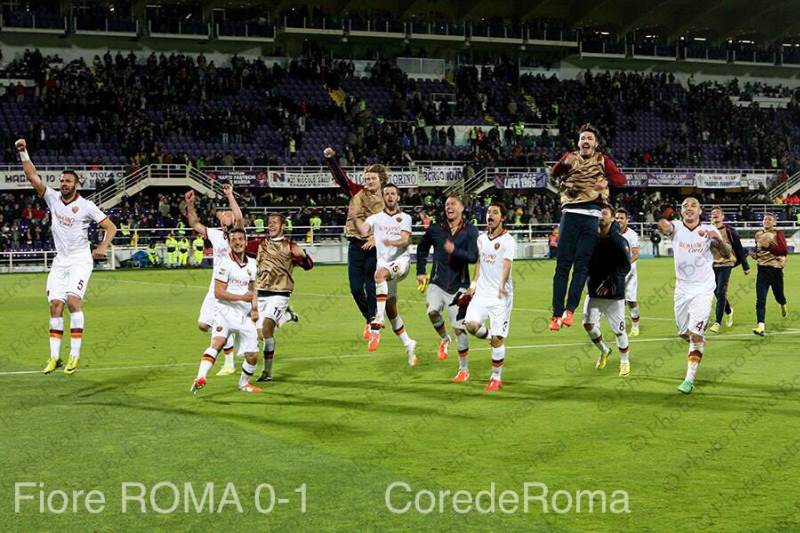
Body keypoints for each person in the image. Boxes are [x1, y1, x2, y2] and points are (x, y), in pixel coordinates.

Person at [15, 138, 118, 375]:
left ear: (76, 185)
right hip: (60, 261)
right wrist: (23, 152)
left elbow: (111, 227)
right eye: (61, 180)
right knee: (55, 306)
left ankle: (74, 355)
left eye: (68, 181)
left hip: (81, 260)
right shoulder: (51, 198)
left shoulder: (87, 206)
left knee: (73, 303)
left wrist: (103, 247)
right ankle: (54, 357)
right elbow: (33, 177)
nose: (63, 183)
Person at [548, 124, 626, 331]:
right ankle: (556, 314)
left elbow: (621, 180)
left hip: (591, 217)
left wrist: (606, 182)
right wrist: (561, 163)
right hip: (570, 215)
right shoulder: (570, 157)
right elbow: (552, 175)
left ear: (596, 143)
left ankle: (570, 311)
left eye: (590, 138)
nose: (586, 141)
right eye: (583, 137)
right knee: (562, 266)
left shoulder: (602, 161)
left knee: (581, 266)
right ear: (578, 142)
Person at [657, 198, 731, 394]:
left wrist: (716, 241)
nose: (689, 208)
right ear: (681, 212)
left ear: (700, 211)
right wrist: (661, 221)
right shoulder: (677, 228)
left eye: (693, 206)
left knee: (696, 335)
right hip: (682, 289)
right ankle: (697, 342)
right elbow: (665, 227)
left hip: (703, 288)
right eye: (685, 206)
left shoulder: (710, 230)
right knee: (683, 332)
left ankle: (689, 380)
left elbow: (727, 254)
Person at [323, 147, 385, 338]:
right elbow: (342, 179)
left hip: (375, 247)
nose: (368, 182)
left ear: (381, 180)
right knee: (356, 288)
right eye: (367, 178)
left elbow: (396, 224)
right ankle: (369, 318)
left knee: (371, 286)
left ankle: (374, 321)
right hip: (356, 245)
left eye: (372, 178)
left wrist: (377, 238)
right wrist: (332, 160)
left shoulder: (388, 198)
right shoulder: (357, 192)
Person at [190, 228, 261, 394]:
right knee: (218, 342)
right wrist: (241, 298)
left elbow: (252, 290)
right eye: (234, 239)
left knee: (252, 355)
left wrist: (255, 308)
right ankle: (200, 377)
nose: (237, 242)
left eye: (240, 239)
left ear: (245, 241)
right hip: (225, 311)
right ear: (229, 243)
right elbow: (218, 292)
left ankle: (243, 384)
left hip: (244, 315)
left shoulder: (252, 263)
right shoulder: (224, 264)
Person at [354, 184, 417, 366]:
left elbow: (406, 239)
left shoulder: (405, 218)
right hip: (385, 267)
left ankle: (376, 323)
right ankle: (408, 343)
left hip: (401, 263)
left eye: (393, 194)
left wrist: (393, 242)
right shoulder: (376, 218)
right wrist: (355, 216)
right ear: (383, 197)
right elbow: (363, 230)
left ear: (398, 197)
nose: (390, 196)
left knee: (379, 275)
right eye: (387, 194)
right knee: (392, 310)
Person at [245, 213, 313, 382]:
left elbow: (309, 266)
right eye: (270, 223)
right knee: (261, 335)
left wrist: (304, 255)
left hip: (280, 294)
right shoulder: (259, 244)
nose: (271, 225)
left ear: (283, 226)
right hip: (261, 294)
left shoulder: (290, 246)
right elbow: (240, 247)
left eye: (275, 222)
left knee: (267, 330)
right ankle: (287, 316)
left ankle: (267, 373)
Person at [185, 185, 244, 375]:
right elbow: (194, 223)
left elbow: (240, 218)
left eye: (229, 212)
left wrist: (229, 195)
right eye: (224, 212)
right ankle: (233, 340)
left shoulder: (238, 235)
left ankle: (229, 362)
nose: (226, 213)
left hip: (232, 287)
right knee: (203, 325)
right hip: (214, 286)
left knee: (221, 323)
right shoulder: (216, 234)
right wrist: (190, 203)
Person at [415, 195, 479, 372]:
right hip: (437, 281)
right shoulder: (436, 228)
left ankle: (463, 370)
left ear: (462, 208)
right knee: (432, 310)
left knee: (459, 328)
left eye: (453, 204)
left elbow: (474, 257)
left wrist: (455, 250)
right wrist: (420, 271)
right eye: (446, 204)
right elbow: (422, 249)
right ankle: (444, 339)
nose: (449, 207)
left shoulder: (471, 231)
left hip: (460, 285)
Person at [462, 202, 516, 391]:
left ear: (502, 218)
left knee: (498, 339)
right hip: (482, 293)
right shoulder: (481, 239)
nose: (490, 215)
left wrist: (502, 284)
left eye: (495, 212)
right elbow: (479, 262)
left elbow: (507, 264)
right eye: (488, 212)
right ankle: (489, 337)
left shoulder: (508, 240)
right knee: (470, 325)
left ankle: (495, 377)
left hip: (501, 296)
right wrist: (473, 285)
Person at [584, 207, 632, 377]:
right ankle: (604, 350)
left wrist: (609, 283)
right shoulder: (589, 238)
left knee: (619, 330)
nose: (600, 216)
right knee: (588, 325)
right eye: (597, 213)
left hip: (614, 294)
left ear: (612, 219)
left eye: (604, 213)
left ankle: (625, 361)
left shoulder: (619, 241)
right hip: (594, 291)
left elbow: (625, 267)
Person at [708, 206, 750, 334]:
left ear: (722, 217)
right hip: (712, 265)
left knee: (721, 291)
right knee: (715, 291)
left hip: (726, 263)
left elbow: (739, 248)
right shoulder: (707, 231)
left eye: (717, 213)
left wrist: (745, 266)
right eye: (713, 213)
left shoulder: (730, 231)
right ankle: (729, 310)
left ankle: (717, 322)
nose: (715, 215)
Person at [751, 212, 788, 336]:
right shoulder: (758, 234)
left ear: (774, 222)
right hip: (762, 270)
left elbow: (783, 251)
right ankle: (760, 326)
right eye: (765, 219)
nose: (766, 221)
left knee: (779, 296)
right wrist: (755, 255)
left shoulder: (778, 233)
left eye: (769, 219)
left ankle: (782, 304)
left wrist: (769, 247)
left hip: (776, 270)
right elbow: (759, 252)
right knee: (760, 299)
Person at [614, 208, 641, 336]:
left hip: (629, 272)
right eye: (617, 218)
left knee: (631, 300)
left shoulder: (632, 235)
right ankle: (619, 326)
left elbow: (636, 254)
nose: (619, 220)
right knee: (616, 300)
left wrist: (625, 265)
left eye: (621, 218)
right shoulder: (611, 233)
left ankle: (635, 326)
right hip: (614, 273)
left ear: (627, 220)